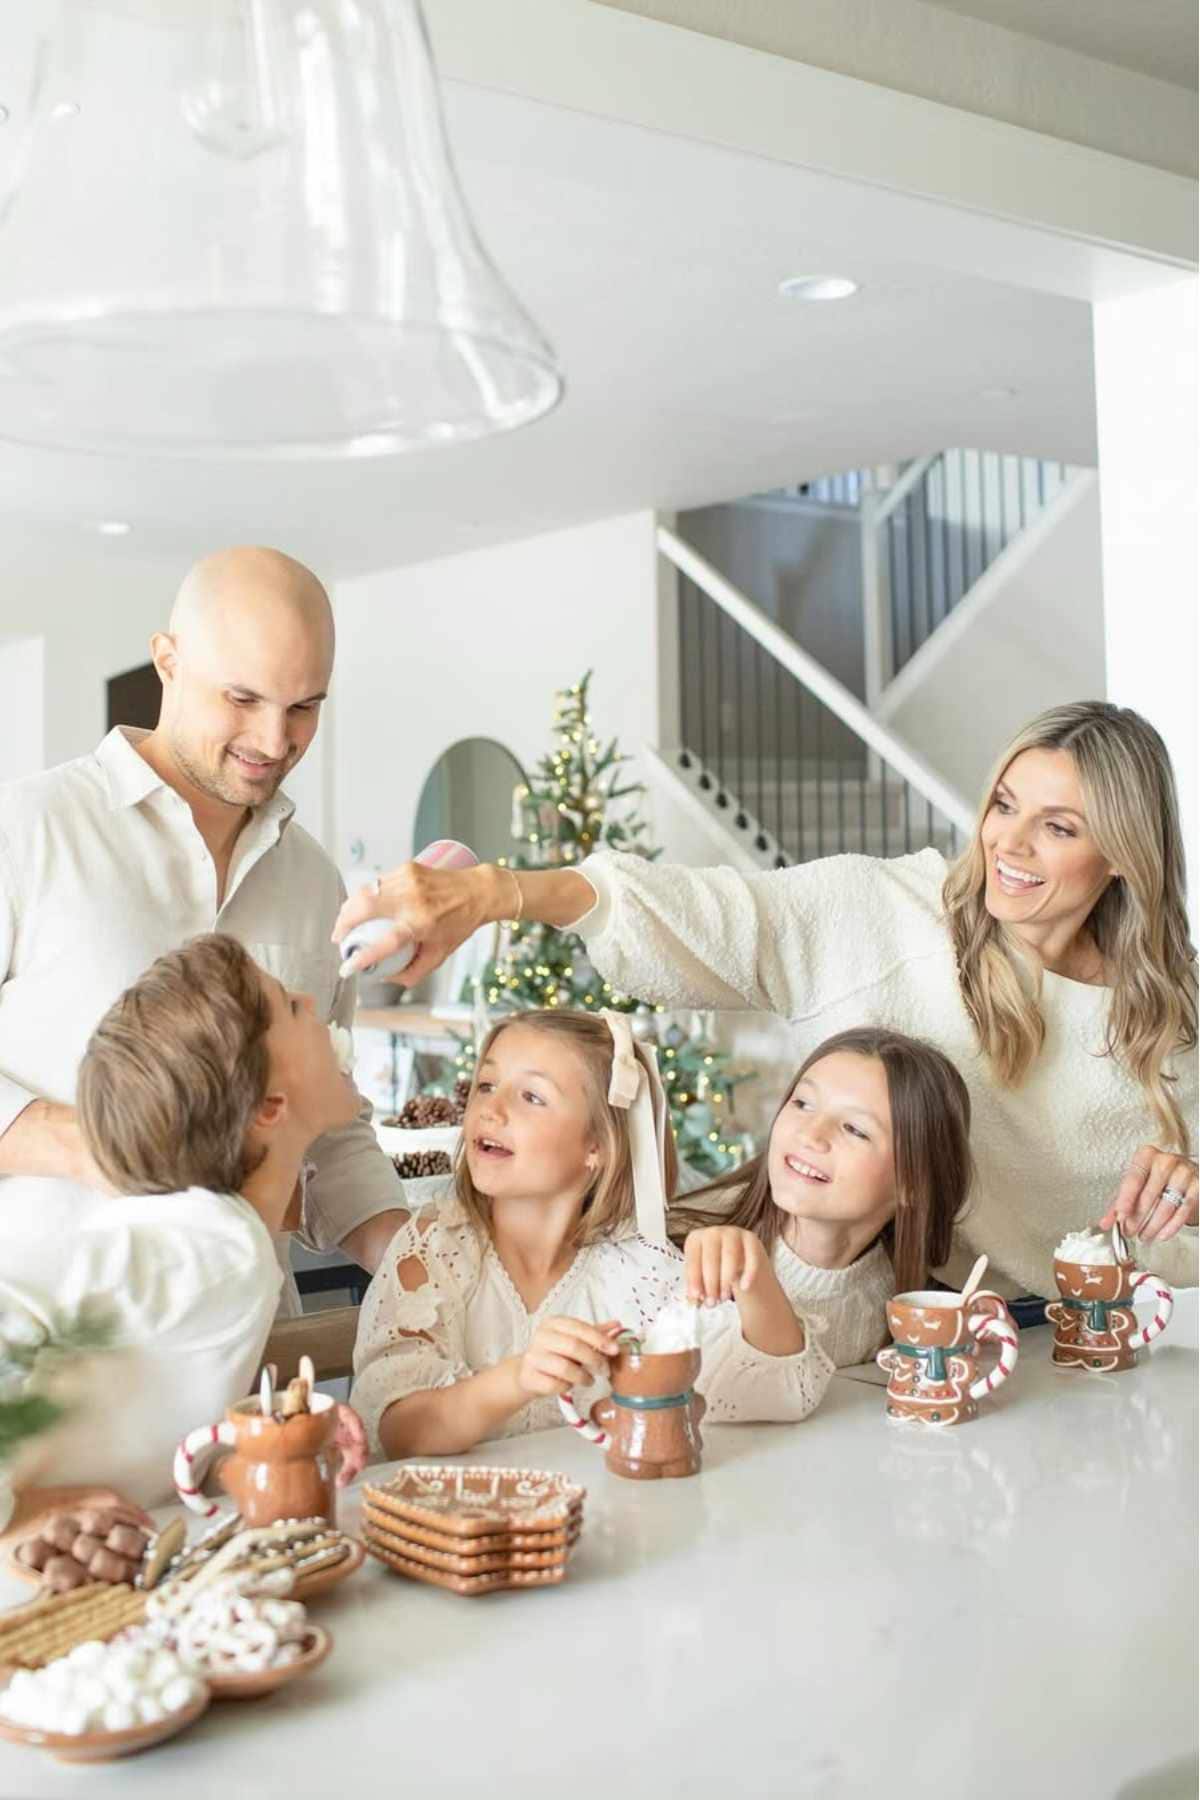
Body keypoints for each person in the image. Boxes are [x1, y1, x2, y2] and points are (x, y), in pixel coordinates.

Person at [334, 701, 1198, 1300]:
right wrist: (495, 892)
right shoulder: (887, 915)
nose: (1008, 843)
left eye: (1058, 826)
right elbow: (710, 914)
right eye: (1005, 804)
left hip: (1091, 1352)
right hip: (899, 1336)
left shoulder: (1171, 1010)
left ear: (1122, 853)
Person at [0, 546, 404, 1292]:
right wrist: (101, 1148)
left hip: (251, 1360)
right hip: (45, 1360)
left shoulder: (315, 883)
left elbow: (331, 1133)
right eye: (242, 698)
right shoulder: (25, 829)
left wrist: (430, 1266)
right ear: (167, 661)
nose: (274, 741)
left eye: (305, 707)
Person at [350, 1010, 835, 1459]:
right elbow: (398, 1433)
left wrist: (754, 1277)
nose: (490, 1109)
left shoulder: (637, 1271)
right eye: (485, 1084)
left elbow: (783, 1394)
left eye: (531, 1097)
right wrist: (518, 1377)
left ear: (596, 1148)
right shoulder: (432, 1249)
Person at [0, 935, 368, 1506]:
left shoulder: (218, 1238)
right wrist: (28, 1514)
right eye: (293, 1007)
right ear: (269, 1107)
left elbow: (151, 1413)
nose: (315, 1005)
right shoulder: (207, 1243)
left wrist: (259, 1443)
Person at [676, 1027, 973, 1368]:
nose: (811, 1135)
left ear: (913, 1184)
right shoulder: (684, 1249)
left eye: (855, 1129)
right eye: (802, 1103)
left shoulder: (907, 1314)